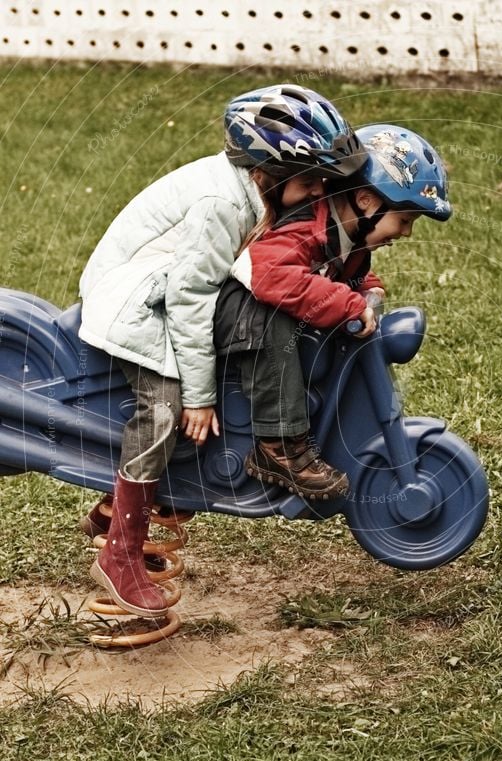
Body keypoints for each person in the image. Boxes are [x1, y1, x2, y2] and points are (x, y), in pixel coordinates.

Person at [78, 85, 366, 618]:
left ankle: (111, 511)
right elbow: (190, 297)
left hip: (164, 290)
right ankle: (118, 556)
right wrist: (199, 396)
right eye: (306, 183)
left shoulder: (252, 191)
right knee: (163, 410)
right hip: (136, 300)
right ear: (268, 174)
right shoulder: (219, 205)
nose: (312, 195)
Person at [214, 123, 451, 500]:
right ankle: (279, 445)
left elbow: (340, 271)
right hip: (237, 314)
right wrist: (346, 304)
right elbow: (266, 271)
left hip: (246, 317)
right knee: (272, 319)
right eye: (405, 220)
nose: (406, 233)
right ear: (367, 201)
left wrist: (366, 288)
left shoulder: (350, 236)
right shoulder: (310, 224)